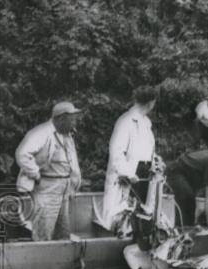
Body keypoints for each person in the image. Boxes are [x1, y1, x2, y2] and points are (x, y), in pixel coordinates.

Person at [15, 101, 82, 242]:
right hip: (47, 186)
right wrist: (35, 174)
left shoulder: (67, 134)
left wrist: (74, 184)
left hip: (64, 187)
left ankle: (60, 260)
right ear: (62, 118)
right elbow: (22, 154)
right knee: (43, 229)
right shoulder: (42, 132)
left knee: (63, 231)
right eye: (73, 118)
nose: (75, 121)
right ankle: (40, 261)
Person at [98, 86, 158, 232]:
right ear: (151, 103)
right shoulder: (125, 121)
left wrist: (156, 161)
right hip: (127, 177)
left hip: (144, 175)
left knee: (142, 213)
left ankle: (136, 240)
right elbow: (116, 152)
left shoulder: (146, 123)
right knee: (121, 216)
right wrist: (129, 174)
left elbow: (147, 150)